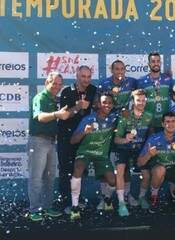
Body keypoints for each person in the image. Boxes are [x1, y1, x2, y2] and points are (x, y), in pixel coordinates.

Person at [28, 72, 70, 221]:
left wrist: (76, 107)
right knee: (36, 177)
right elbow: (40, 117)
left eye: (60, 84)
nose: (57, 87)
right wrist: (56, 114)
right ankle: (34, 209)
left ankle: (46, 207)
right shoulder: (40, 97)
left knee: (49, 177)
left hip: (51, 142)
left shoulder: (54, 99)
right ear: (47, 82)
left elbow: (63, 114)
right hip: (38, 141)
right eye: (54, 84)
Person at [69, 92, 117, 220]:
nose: (107, 105)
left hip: (101, 156)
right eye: (104, 102)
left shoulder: (114, 119)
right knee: (78, 167)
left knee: (113, 181)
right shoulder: (88, 119)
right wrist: (84, 132)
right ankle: (74, 206)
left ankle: (107, 199)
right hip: (85, 153)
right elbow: (73, 140)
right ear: (98, 104)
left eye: (110, 103)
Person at [137, 112, 175, 213]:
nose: (170, 124)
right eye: (167, 122)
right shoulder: (154, 138)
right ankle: (153, 196)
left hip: (174, 170)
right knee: (160, 169)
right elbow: (139, 163)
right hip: (158, 171)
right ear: (163, 124)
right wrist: (149, 154)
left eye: (173, 121)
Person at [57, 65, 97, 210]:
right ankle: (66, 203)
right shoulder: (67, 92)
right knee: (66, 170)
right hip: (66, 138)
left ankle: (76, 201)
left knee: (80, 170)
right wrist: (78, 107)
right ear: (77, 76)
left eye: (88, 77)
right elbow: (65, 115)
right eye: (83, 76)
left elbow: (98, 108)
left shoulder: (93, 90)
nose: (86, 80)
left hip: (82, 138)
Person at [114, 89, 154, 216]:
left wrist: (148, 148)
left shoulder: (149, 115)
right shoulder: (125, 115)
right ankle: (121, 202)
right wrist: (125, 139)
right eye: (138, 100)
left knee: (146, 175)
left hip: (140, 149)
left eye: (143, 100)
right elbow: (116, 139)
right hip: (125, 148)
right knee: (120, 171)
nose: (141, 103)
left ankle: (141, 197)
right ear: (133, 101)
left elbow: (151, 135)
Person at [136, 52, 173, 131]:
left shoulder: (168, 79)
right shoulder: (141, 81)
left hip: (165, 123)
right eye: (153, 61)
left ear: (160, 63)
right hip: (148, 124)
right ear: (148, 64)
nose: (156, 63)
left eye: (158, 61)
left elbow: (174, 97)